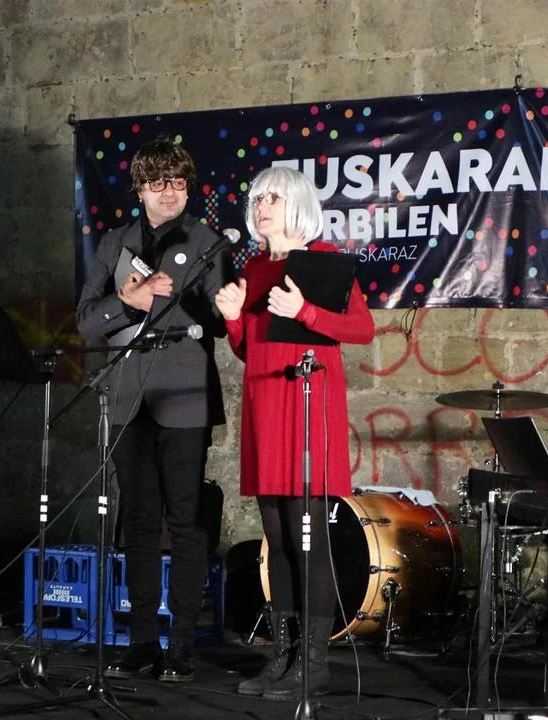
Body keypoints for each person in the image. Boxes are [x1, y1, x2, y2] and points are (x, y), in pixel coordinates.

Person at [214, 166, 375, 700]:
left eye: (273, 198)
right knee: (277, 538)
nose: (262, 207)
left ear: (299, 205)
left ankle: (314, 663)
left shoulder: (323, 260)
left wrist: (304, 310)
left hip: (307, 407)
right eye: (258, 199)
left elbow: (361, 329)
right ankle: (282, 657)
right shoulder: (255, 267)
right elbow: (251, 348)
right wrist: (234, 319)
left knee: (309, 539)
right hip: (265, 405)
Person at [75, 137, 231, 682]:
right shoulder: (113, 243)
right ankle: (142, 642)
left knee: (185, 521)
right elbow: (86, 321)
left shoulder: (207, 242)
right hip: (127, 395)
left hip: (184, 395)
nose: (171, 192)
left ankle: (182, 645)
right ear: (140, 189)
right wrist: (127, 302)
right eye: (160, 182)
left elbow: (220, 320)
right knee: (139, 521)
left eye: (180, 182)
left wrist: (218, 306)